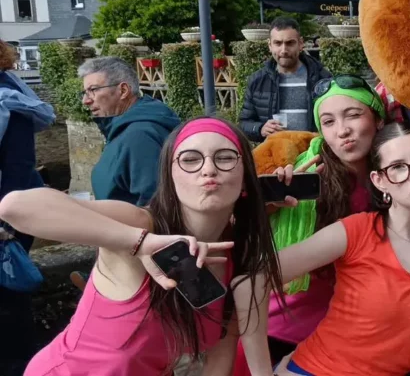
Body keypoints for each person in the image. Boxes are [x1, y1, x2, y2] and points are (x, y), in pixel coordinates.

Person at [0, 117, 286, 375]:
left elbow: (218, 360)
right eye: (190, 159)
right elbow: (15, 207)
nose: (208, 169)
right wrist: (139, 243)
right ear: (170, 177)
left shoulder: (236, 255)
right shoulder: (140, 223)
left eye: (225, 158)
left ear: (245, 178)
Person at [272, 122, 410, 375]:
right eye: (398, 167)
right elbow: (255, 278)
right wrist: (261, 368)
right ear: (379, 180)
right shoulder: (356, 231)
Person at [231, 75, 387, 373]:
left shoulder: (395, 179)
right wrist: (268, 204)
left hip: (344, 338)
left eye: (353, 115)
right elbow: (232, 232)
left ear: (378, 119)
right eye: (328, 122)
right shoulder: (302, 170)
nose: (342, 130)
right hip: (275, 329)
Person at [0, 39, 55, 375]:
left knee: (9, 303)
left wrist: (5, 223)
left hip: (7, 217)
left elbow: (18, 168)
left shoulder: (9, 100)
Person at [79, 57, 181, 205]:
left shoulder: (140, 136)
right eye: (85, 92)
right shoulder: (123, 127)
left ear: (123, 90)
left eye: (93, 90)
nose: (86, 100)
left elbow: (154, 205)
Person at [239, 17, 333, 142]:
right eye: (278, 43)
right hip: (276, 152)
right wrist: (260, 128)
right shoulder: (257, 81)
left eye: (290, 43)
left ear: (300, 44)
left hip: (314, 151)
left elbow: (336, 119)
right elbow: (244, 124)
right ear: (270, 45)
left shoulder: (323, 79)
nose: (284, 50)